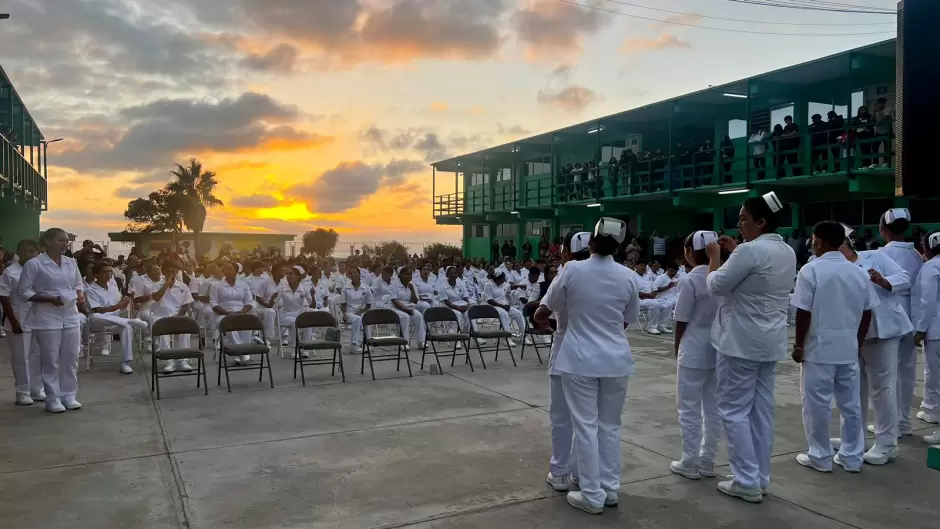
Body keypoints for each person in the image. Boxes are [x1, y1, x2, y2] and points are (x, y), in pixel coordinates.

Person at [538, 218, 638, 514]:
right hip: (616, 359)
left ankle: (591, 493)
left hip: (579, 358)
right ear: (618, 247)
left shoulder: (572, 270)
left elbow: (546, 308)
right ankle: (608, 489)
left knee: (584, 425)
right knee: (609, 426)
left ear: (591, 242)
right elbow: (627, 319)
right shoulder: (628, 275)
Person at [705, 192, 796, 503]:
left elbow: (716, 286)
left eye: (744, 219)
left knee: (733, 410)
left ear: (761, 222)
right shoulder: (786, 251)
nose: (739, 225)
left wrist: (715, 259)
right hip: (769, 341)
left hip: (740, 341)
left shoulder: (749, 251)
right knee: (760, 411)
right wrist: (736, 253)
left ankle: (745, 479)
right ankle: (759, 476)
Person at [791, 221, 877, 474]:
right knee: (850, 405)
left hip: (818, 348)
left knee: (816, 404)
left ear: (818, 241)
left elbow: (803, 313)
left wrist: (798, 344)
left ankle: (820, 455)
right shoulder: (858, 272)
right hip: (848, 346)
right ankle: (851, 457)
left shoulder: (811, 270)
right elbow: (866, 314)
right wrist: (858, 342)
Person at [837, 224, 911, 465]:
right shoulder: (831, 266)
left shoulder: (876, 256)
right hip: (851, 332)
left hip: (884, 330)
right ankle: (852, 437)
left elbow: (904, 277)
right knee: (852, 388)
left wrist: (883, 280)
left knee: (882, 387)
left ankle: (887, 443)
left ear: (844, 242)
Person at [535, 231, 591, 493]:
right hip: (594, 354)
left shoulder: (566, 273)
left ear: (566, 252)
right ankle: (581, 473)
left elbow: (542, 311)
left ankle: (559, 472)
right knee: (587, 418)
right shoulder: (611, 273)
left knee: (561, 416)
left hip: (565, 347)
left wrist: (547, 322)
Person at [670, 231, 723, 480]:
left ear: (690, 252)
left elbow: (681, 319)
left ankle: (689, 460)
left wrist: (677, 347)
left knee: (689, 408)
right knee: (713, 409)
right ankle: (708, 460)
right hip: (719, 347)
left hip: (693, 347)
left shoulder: (691, 280)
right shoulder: (722, 277)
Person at [16, 228, 86, 413]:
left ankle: (69, 394)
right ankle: (53, 397)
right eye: (60, 240)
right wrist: (49, 299)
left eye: (66, 240)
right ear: (47, 242)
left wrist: (80, 295)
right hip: (46, 318)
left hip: (70, 314)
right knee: (51, 359)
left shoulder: (72, 263)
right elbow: (23, 292)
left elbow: (78, 285)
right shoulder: (34, 264)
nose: (65, 243)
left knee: (71, 357)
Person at [876, 208, 922, 439]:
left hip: (890, 320)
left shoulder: (881, 255)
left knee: (886, 374)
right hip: (913, 319)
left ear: (882, 229)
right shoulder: (916, 255)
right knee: (907, 371)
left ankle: (889, 424)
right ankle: (903, 421)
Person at [84, 261, 149, 375]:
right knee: (95, 316)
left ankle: (126, 363)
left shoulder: (113, 288)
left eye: (110, 271)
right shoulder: (90, 290)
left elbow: (121, 306)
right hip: (99, 323)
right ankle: (132, 321)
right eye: (105, 272)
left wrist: (124, 302)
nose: (109, 274)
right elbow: (98, 310)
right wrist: (118, 306)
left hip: (115, 321)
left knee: (126, 328)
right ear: (97, 275)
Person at [0, 239, 43, 404]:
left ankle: (36, 389)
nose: (28, 254)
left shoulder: (39, 271)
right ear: (18, 252)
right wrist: (13, 320)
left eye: (32, 251)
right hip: (18, 319)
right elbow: (3, 297)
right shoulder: (10, 272)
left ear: (37, 253)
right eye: (24, 251)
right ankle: (22, 391)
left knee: (37, 356)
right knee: (21, 357)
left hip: (38, 319)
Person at [912, 231, 940, 445]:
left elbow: (927, 302)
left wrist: (920, 329)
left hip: (936, 329)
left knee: (937, 376)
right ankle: (932, 410)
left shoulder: (931, 267)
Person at [151, 261, 195, 373]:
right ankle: (168, 360)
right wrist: (166, 285)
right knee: (163, 331)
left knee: (185, 329)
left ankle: (183, 359)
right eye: (169, 271)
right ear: (164, 272)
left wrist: (178, 317)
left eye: (174, 271)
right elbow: (156, 298)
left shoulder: (183, 286)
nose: (172, 273)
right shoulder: (156, 284)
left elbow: (185, 305)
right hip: (161, 316)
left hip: (178, 315)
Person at [210, 263, 255, 366]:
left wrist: (242, 312)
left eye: (229, 268)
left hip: (240, 313)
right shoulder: (217, 286)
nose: (226, 270)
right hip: (223, 314)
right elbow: (213, 304)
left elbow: (249, 302)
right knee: (229, 325)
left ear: (236, 271)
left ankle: (239, 356)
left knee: (248, 323)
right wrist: (227, 313)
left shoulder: (243, 285)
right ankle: (244, 355)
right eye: (224, 268)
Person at [277, 266, 312, 352]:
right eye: (287, 274)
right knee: (295, 323)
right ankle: (295, 349)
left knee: (306, 323)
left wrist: (313, 295)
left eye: (291, 274)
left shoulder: (304, 288)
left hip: (300, 314)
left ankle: (306, 349)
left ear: (297, 276)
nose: (288, 276)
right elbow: (274, 302)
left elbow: (311, 303)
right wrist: (272, 300)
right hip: (286, 315)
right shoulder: (282, 289)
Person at [341, 267, 372, 354]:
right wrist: (344, 315)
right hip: (348, 312)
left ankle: (368, 343)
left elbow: (368, 304)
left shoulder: (366, 288)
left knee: (366, 318)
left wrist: (362, 311)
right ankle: (354, 345)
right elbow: (343, 304)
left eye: (355, 273)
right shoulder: (345, 288)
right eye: (351, 273)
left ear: (359, 274)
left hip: (360, 311)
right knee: (357, 319)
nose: (353, 275)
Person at [634, 261, 665, 335]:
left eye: (644, 266)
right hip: (637, 300)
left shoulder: (648, 277)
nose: (643, 267)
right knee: (654, 304)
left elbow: (654, 289)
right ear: (635, 266)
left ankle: (660, 326)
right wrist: (647, 295)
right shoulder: (632, 276)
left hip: (650, 298)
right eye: (641, 265)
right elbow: (632, 292)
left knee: (667, 303)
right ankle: (652, 327)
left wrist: (652, 295)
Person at [652, 263, 680, 333]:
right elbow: (655, 289)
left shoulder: (675, 280)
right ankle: (661, 326)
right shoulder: (661, 277)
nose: (673, 273)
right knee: (668, 304)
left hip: (673, 299)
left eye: (675, 271)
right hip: (662, 299)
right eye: (672, 271)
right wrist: (668, 287)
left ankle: (678, 324)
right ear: (667, 269)